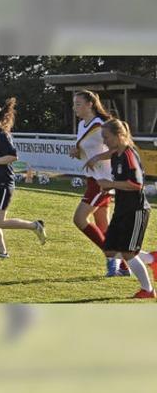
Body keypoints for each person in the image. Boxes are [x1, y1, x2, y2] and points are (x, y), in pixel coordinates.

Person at [86, 119, 157, 299]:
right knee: (110, 250)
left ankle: (148, 290)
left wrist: (110, 184)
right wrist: (109, 186)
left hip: (136, 210)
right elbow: (121, 181)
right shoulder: (116, 154)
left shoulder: (128, 155)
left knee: (128, 253)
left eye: (106, 137)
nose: (104, 141)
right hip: (122, 209)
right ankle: (151, 259)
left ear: (119, 136)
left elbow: (136, 185)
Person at [69, 90, 130, 277]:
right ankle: (123, 268)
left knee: (79, 219)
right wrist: (77, 152)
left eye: (78, 103)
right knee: (104, 227)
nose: (75, 107)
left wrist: (97, 157)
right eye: (74, 104)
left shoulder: (101, 124)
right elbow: (87, 149)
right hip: (92, 179)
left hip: (103, 181)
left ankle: (112, 256)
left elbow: (120, 148)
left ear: (90, 104)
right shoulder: (82, 124)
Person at [0, 98, 46, 258]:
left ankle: (34, 226)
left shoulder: (2, 135)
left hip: (4, 183)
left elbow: (13, 156)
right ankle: (2, 252)